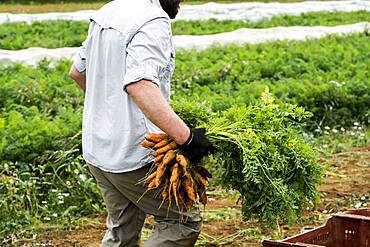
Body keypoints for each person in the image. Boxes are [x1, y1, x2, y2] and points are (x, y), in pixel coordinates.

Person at [68, 0, 213, 246]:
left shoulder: (109, 10)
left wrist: (112, 111)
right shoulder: (152, 19)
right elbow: (140, 85)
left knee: (122, 229)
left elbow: (77, 71)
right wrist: (186, 138)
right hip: (133, 153)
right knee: (182, 223)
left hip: (98, 151)